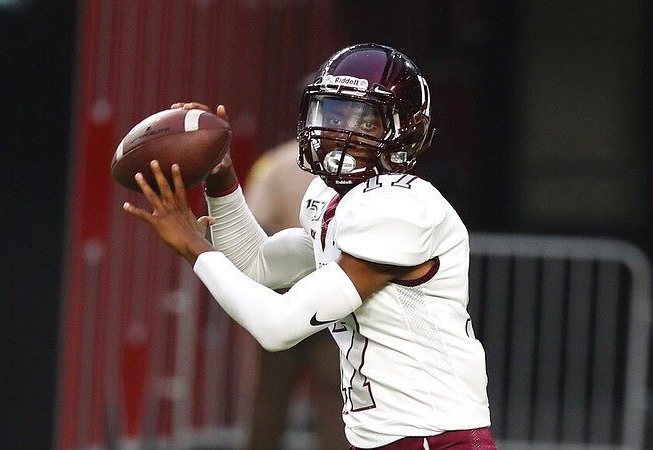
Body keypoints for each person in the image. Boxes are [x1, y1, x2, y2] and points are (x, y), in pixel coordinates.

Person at [123, 43, 497, 450]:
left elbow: (278, 326)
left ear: (404, 129)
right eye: (331, 113)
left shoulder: (401, 209)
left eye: (364, 120)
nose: (338, 131)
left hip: (434, 440)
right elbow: (256, 263)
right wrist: (220, 178)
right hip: (389, 440)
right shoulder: (335, 198)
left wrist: (194, 246)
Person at [241, 139, 348, 450]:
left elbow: (254, 224)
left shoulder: (276, 162)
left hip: (284, 295)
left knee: (270, 399)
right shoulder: (355, 166)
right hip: (335, 294)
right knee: (335, 399)